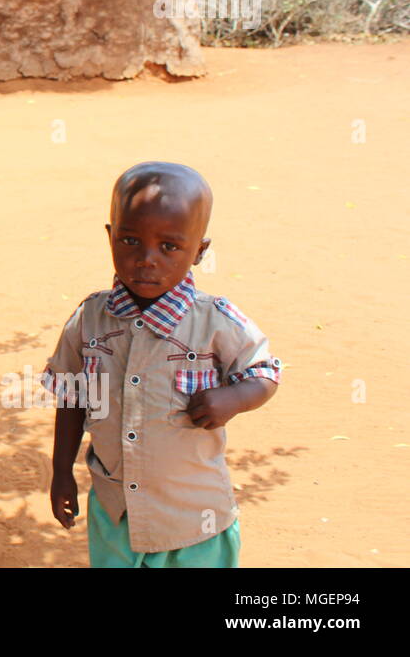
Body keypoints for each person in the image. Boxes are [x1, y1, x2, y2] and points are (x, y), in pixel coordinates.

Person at [44, 162, 281, 567]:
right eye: (131, 240)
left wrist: (235, 397)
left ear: (199, 251)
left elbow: (265, 372)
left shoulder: (216, 320)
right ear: (110, 237)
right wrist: (61, 471)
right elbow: (71, 399)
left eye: (169, 246)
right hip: (116, 511)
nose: (147, 259)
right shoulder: (89, 320)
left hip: (194, 519)